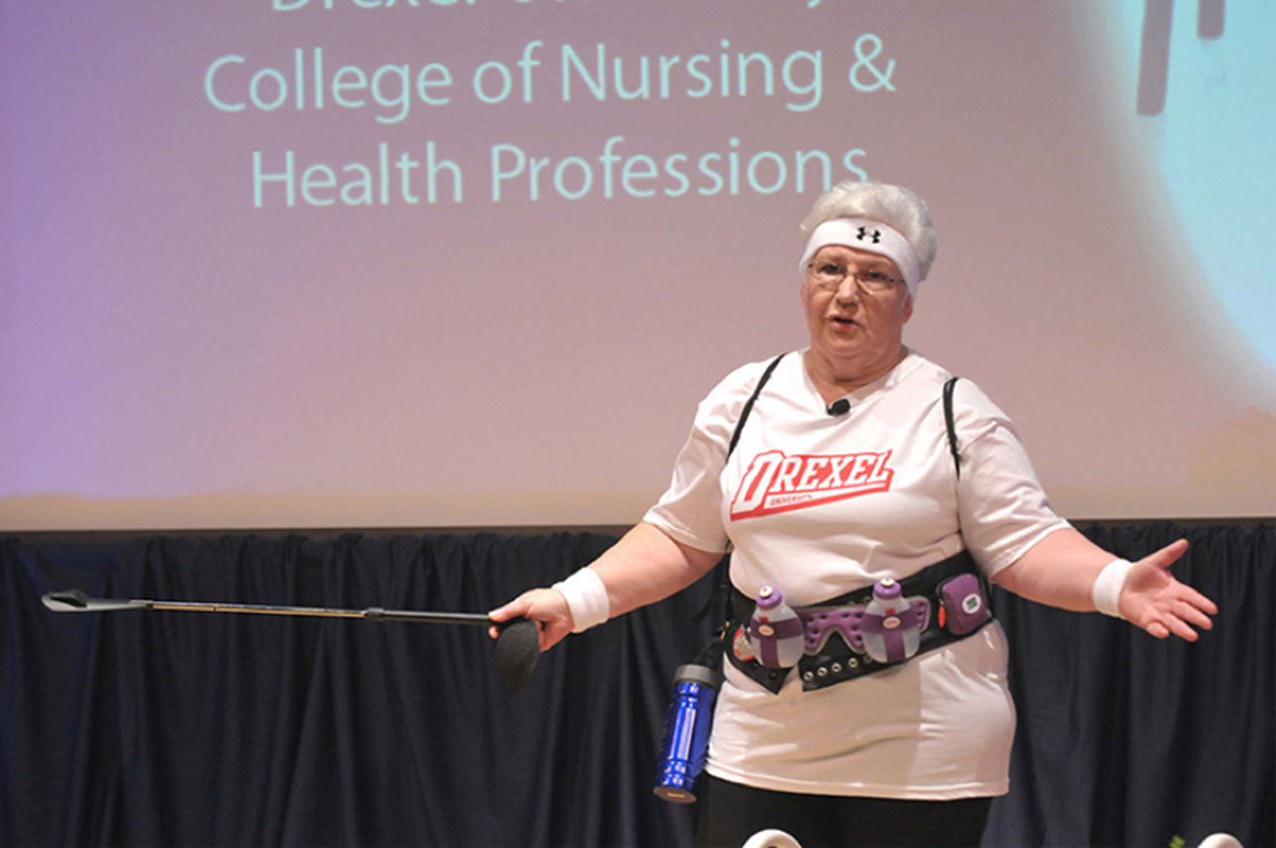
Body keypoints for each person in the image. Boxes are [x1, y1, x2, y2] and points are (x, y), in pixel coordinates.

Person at [488, 181, 1218, 848]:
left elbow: (1024, 544)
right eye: (828, 269)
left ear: (908, 302)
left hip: (924, 749)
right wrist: (572, 601)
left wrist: (1113, 582)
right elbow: (681, 536)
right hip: (764, 740)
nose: (846, 293)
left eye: (875, 277)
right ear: (803, 284)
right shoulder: (742, 401)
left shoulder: (954, 411)